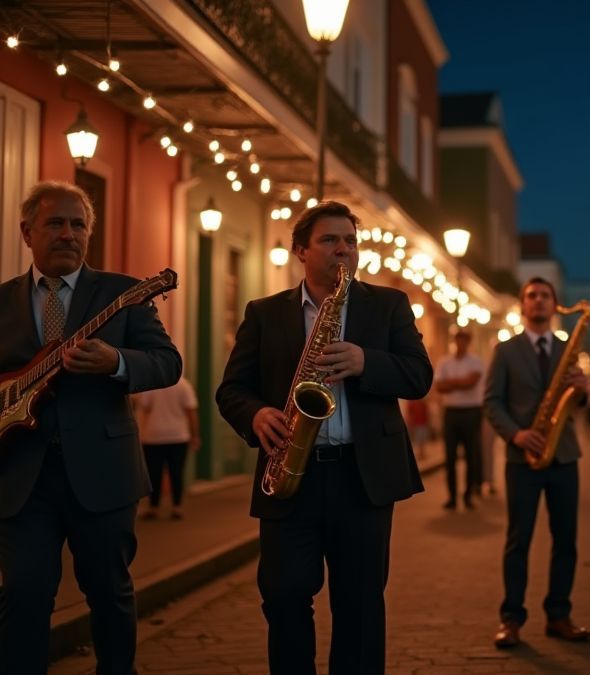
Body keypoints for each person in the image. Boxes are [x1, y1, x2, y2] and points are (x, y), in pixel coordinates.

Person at [215, 200, 433, 675]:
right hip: (291, 475)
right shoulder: (265, 312)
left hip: (363, 478)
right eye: (330, 240)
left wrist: (365, 362)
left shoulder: (389, 305)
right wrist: (255, 416)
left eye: (350, 241)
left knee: (359, 607)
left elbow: (418, 376)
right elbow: (231, 390)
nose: (343, 251)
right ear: (300, 250)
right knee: (284, 597)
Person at [0, 181, 182, 673]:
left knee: (109, 594)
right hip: (21, 477)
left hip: (104, 474)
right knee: (22, 594)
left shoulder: (124, 293)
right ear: (27, 231)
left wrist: (117, 361)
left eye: (78, 224)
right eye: (55, 223)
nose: (68, 234)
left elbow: (167, 363)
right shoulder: (1, 301)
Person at [485, 277, 590, 649]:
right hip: (521, 458)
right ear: (522, 305)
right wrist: (516, 434)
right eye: (532, 296)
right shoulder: (505, 350)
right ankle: (511, 618)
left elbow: (578, 404)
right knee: (519, 540)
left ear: (554, 303)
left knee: (566, 540)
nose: (539, 301)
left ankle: (559, 615)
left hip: (564, 455)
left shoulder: (568, 348)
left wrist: (582, 391)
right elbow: (492, 401)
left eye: (545, 296)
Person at [136, 376, 200, 520]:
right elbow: (191, 412)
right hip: (178, 436)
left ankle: (154, 507)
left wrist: (140, 433)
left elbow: (144, 409)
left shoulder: (152, 383)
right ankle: (177, 507)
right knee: (176, 473)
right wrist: (195, 435)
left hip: (153, 436)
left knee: (154, 474)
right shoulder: (185, 385)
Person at [435, 329, 485, 510]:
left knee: (472, 455)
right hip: (451, 412)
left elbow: (471, 382)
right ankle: (452, 497)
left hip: (471, 412)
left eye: (464, 340)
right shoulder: (444, 361)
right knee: (450, 456)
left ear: (468, 342)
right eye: (458, 340)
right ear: (455, 341)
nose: (461, 343)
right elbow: (439, 386)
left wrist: (451, 383)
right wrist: (460, 382)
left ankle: (468, 494)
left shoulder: (476, 362)